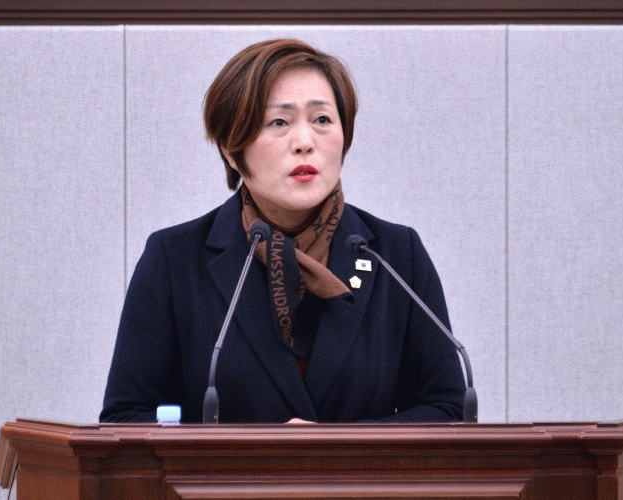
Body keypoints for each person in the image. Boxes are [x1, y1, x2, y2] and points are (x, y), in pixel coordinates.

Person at [100, 39, 465, 424]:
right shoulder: (174, 260)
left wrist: (336, 448)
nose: (305, 142)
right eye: (279, 122)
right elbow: (127, 417)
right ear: (231, 150)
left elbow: (447, 410)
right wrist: (258, 452)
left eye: (322, 120)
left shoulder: (396, 255)